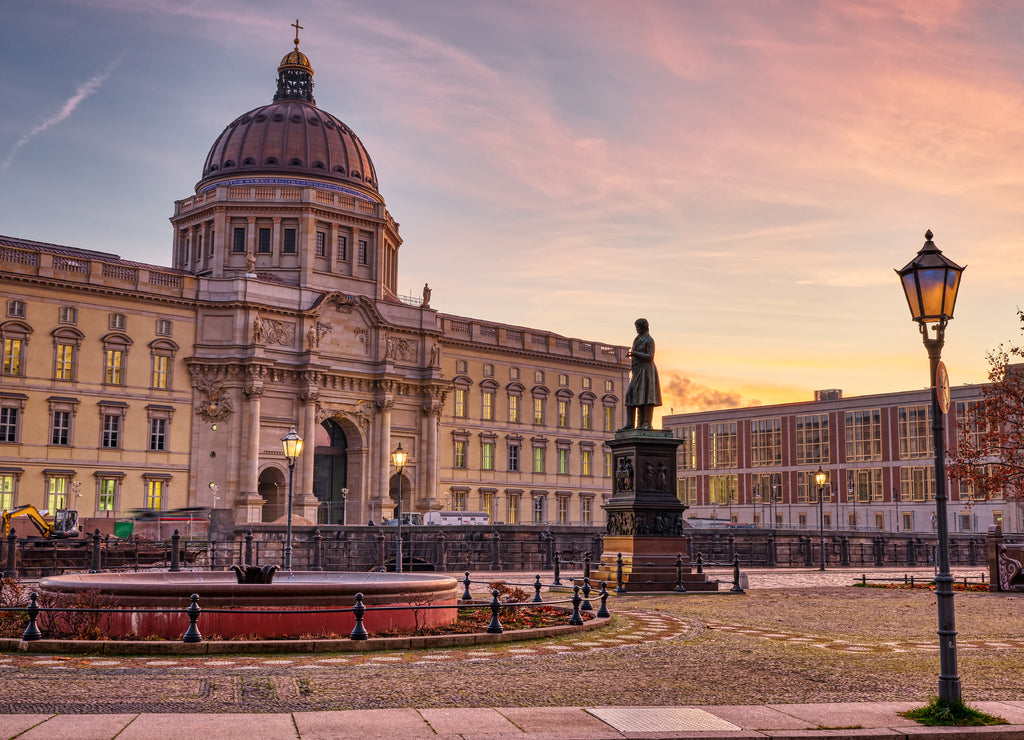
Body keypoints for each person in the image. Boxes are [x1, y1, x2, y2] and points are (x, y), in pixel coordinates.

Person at [621, 317, 662, 430]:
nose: (636, 329)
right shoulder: (638, 339)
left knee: (646, 397)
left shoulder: (649, 340)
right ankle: (630, 424)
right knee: (630, 394)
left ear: (643, 327)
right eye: (636, 327)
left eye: (637, 327)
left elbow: (650, 356)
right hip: (638, 371)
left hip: (646, 371)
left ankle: (646, 423)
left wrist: (635, 353)